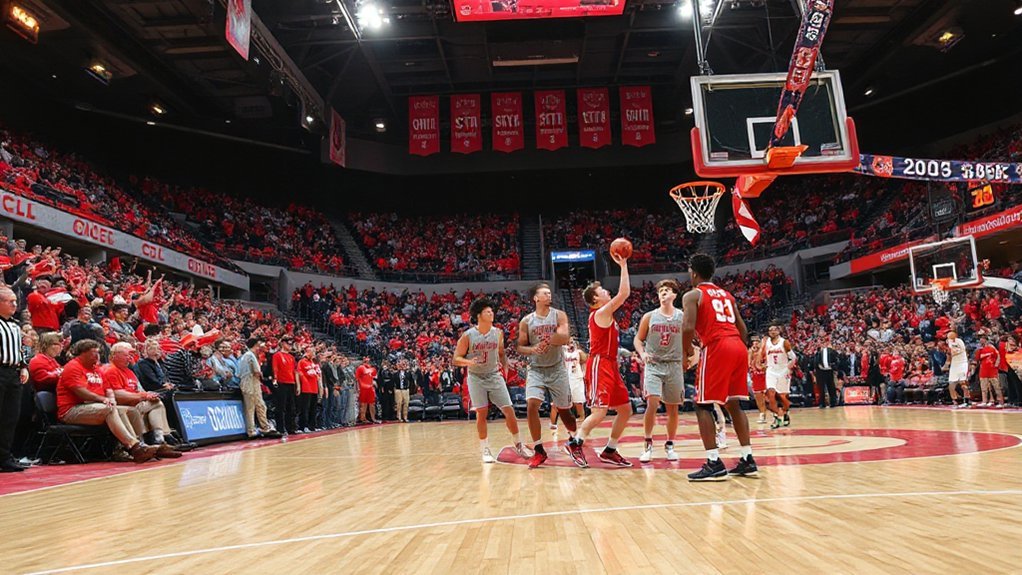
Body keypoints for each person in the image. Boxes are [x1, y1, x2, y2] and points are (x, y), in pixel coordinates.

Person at [681, 253, 757, 481]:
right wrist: (737, 350)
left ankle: (713, 462)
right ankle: (747, 458)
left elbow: (687, 327)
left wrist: (687, 353)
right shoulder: (727, 295)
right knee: (733, 404)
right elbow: (742, 328)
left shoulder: (693, 295)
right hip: (737, 345)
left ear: (693, 272)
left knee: (702, 404)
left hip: (717, 346)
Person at [517, 282, 587, 468]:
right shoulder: (526, 321)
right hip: (536, 369)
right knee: (532, 405)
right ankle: (539, 450)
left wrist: (548, 340)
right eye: (545, 293)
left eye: (550, 293)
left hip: (557, 368)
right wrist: (533, 349)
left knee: (565, 411)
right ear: (536, 298)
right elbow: (520, 346)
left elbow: (564, 337)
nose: (549, 295)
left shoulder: (559, 315)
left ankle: (573, 442)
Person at [453, 297, 529, 464]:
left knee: (509, 410)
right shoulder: (468, 335)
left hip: (494, 375)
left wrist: (506, 365)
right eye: (488, 311)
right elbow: (456, 358)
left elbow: (501, 352)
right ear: (479, 315)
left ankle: (518, 444)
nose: (492, 313)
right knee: (482, 413)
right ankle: (485, 449)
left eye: (492, 311)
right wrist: (470, 362)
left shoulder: (498, 333)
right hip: (476, 377)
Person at [56, 339, 159, 464]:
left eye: (98, 352)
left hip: (93, 407)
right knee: (109, 409)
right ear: (83, 353)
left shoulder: (97, 369)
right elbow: (81, 393)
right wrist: (103, 399)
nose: (98, 356)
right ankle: (134, 447)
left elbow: (108, 389)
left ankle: (139, 446)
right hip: (72, 410)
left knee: (130, 411)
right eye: (94, 352)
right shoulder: (73, 367)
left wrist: (111, 399)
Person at [575, 251, 634, 467]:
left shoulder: (607, 316)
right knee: (599, 412)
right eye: (602, 290)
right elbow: (625, 292)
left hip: (610, 363)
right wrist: (623, 264)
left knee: (626, 409)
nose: (607, 291)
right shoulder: (599, 313)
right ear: (595, 300)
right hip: (599, 364)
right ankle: (576, 443)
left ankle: (610, 449)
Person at [633, 279, 684, 463]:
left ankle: (670, 445)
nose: (663, 292)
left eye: (667, 290)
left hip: (674, 365)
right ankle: (648, 443)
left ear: (675, 295)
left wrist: (692, 357)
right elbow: (638, 340)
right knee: (652, 402)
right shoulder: (649, 316)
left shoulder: (682, 316)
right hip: (654, 364)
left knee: (673, 408)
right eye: (661, 290)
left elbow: (691, 341)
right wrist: (643, 353)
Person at [101, 342, 181, 459]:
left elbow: (139, 390)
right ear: (114, 355)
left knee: (157, 402)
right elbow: (117, 394)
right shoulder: (111, 370)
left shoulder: (129, 372)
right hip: (123, 405)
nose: (130, 358)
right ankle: (144, 445)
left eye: (131, 355)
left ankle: (159, 440)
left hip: (136, 403)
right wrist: (142, 396)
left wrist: (148, 395)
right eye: (127, 355)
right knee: (152, 404)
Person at [0, 287, 29, 472]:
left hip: (13, 373)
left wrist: (24, 366)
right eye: (10, 301)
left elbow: (19, 350)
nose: (14, 304)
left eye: (15, 301)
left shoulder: (15, 325)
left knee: (10, 417)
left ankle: (4, 457)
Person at [238, 337, 278, 438]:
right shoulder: (250, 355)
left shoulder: (243, 356)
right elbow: (256, 372)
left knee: (258, 406)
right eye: (258, 345)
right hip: (251, 382)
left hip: (247, 381)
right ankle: (253, 430)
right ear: (255, 345)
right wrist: (261, 375)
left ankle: (263, 427)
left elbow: (238, 373)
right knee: (253, 407)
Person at [763, 324, 795, 429]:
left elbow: (793, 357)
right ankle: (776, 417)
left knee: (783, 396)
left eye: (774, 329)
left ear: (779, 331)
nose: (772, 331)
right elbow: (760, 353)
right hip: (771, 370)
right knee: (770, 394)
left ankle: (785, 413)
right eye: (770, 330)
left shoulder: (784, 342)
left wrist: (789, 368)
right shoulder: (766, 342)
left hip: (783, 370)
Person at [271, 337, 299, 434]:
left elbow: (294, 371)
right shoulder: (277, 355)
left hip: (291, 383)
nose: (290, 346)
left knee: (291, 407)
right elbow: (275, 368)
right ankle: (280, 428)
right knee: (281, 406)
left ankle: (290, 427)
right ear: (283, 343)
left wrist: (297, 384)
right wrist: (275, 380)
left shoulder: (291, 357)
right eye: (288, 344)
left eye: (291, 344)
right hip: (281, 382)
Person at [973, 335, 1004, 408]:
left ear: (986, 340)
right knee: (984, 387)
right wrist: (978, 351)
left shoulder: (992, 348)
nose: (981, 341)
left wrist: (996, 365)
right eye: (980, 339)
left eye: (982, 339)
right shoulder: (979, 349)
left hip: (992, 370)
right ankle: (984, 401)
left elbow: (998, 356)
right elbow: (977, 359)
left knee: (996, 386)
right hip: (983, 370)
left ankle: (1000, 401)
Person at [297, 346, 321, 432]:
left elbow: (318, 375)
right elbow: (299, 373)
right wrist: (303, 383)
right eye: (313, 352)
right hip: (306, 388)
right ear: (308, 352)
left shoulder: (313, 363)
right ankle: (303, 426)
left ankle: (312, 426)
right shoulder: (302, 362)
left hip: (314, 388)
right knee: (304, 408)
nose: (314, 354)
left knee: (313, 408)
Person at [943, 331, 970, 408]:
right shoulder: (949, 343)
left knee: (963, 383)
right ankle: (955, 402)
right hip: (954, 365)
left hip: (962, 364)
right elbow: (949, 355)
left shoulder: (959, 342)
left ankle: (967, 401)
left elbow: (954, 352)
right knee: (951, 384)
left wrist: (948, 351)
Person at [562, 338, 587, 420]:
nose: (571, 344)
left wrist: (584, 373)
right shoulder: (563, 352)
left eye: (572, 342)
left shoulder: (578, 352)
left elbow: (585, 360)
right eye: (569, 342)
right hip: (566, 377)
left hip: (576, 377)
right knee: (566, 399)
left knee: (578, 399)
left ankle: (582, 416)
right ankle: (568, 417)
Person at [748, 336, 768, 424]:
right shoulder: (750, 351)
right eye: (753, 341)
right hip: (756, 376)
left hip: (766, 375)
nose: (755, 343)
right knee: (758, 396)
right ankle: (762, 414)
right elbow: (748, 364)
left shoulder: (765, 351)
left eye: (757, 341)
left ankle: (778, 413)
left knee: (769, 396)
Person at [815, 337, 839, 408]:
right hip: (821, 372)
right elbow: (816, 362)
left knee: (831, 387)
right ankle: (822, 403)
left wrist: (833, 367)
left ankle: (833, 402)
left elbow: (836, 359)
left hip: (829, 371)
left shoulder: (832, 351)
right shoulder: (818, 352)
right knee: (821, 388)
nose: (824, 344)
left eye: (825, 342)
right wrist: (818, 366)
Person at [355, 357, 379, 424]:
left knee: (372, 404)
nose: (367, 362)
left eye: (368, 361)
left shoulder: (373, 369)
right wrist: (358, 388)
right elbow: (357, 379)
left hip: (370, 388)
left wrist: (374, 384)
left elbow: (374, 378)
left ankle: (373, 418)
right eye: (365, 361)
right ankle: (363, 418)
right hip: (363, 388)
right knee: (363, 404)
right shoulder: (360, 368)